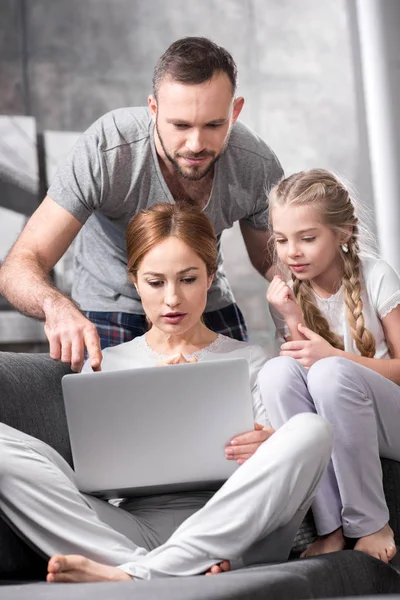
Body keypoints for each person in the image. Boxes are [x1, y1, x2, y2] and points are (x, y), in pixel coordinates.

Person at [0, 203, 332, 583]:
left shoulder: (251, 361)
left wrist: (267, 443)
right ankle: (155, 568)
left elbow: (279, 475)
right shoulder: (104, 364)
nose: (172, 299)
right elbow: (96, 478)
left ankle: (139, 574)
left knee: (311, 429)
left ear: (210, 277)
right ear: (135, 281)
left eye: (188, 280)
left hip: (234, 535)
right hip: (129, 530)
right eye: (156, 282)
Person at [0, 36, 283, 373]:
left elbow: (273, 261)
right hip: (110, 308)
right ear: (153, 109)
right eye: (180, 125)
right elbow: (20, 264)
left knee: (240, 412)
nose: (196, 143)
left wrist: (310, 306)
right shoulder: (108, 151)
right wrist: (56, 306)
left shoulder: (255, 163)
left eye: (213, 125)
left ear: (234, 112)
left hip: (204, 304)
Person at [258, 168, 400, 564]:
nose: (291, 253)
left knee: (330, 372)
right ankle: (330, 526)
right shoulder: (288, 292)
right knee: (276, 373)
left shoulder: (376, 276)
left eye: (307, 238)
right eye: (281, 239)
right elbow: (301, 381)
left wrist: (335, 357)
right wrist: (289, 316)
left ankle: (371, 522)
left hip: (393, 417)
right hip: (339, 407)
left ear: (344, 234)